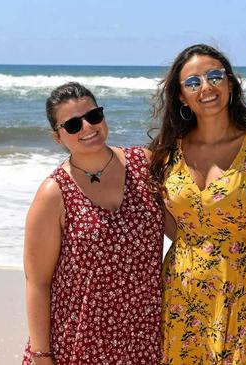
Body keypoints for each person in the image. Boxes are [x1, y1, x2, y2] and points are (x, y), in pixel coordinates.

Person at [148, 44, 246, 364]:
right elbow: (176, 226)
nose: (206, 87)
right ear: (180, 96)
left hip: (244, 290)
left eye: (215, 76)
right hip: (181, 292)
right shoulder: (168, 153)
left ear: (230, 83)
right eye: (193, 82)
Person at [22, 82, 164, 364]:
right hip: (79, 340)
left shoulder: (144, 164)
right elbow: (37, 281)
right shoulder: (54, 192)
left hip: (144, 335)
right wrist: (41, 355)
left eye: (93, 116)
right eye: (73, 125)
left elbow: (187, 223)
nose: (87, 127)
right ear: (57, 137)